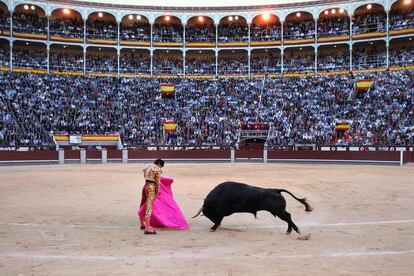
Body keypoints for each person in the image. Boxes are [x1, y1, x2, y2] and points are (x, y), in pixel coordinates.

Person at [139, 159, 164, 235]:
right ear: (159, 163)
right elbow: (157, 181)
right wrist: (157, 192)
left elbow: (145, 176)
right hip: (151, 187)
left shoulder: (148, 166)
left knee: (142, 204)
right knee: (149, 206)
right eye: (161, 166)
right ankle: (147, 228)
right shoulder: (157, 169)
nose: (160, 167)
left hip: (145, 185)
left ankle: (142, 224)